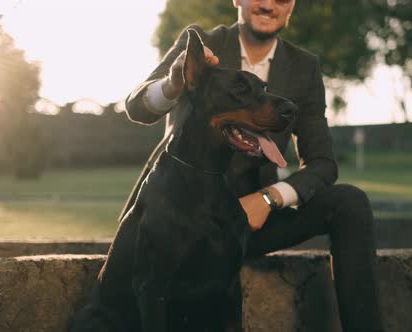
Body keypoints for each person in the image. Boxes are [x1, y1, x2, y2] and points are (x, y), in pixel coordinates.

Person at [123, 0, 384, 331]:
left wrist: (269, 198)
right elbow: (137, 107)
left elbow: (322, 164)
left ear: (291, 7)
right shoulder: (204, 43)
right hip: (181, 223)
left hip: (246, 224)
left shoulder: (304, 67)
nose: (269, 4)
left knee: (350, 203)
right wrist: (175, 82)